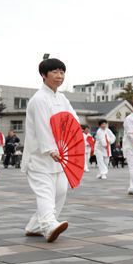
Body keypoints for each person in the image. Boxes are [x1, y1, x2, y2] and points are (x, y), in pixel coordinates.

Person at [21, 58, 77, 242]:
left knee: (60, 190)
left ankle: (35, 226)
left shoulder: (62, 98)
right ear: (44, 75)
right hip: (39, 156)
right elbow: (42, 126)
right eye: (55, 72)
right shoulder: (39, 99)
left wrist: (77, 140)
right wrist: (50, 149)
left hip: (60, 156)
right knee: (45, 191)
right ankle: (48, 225)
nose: (59, 76)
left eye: (62, 72)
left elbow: (72, 120)